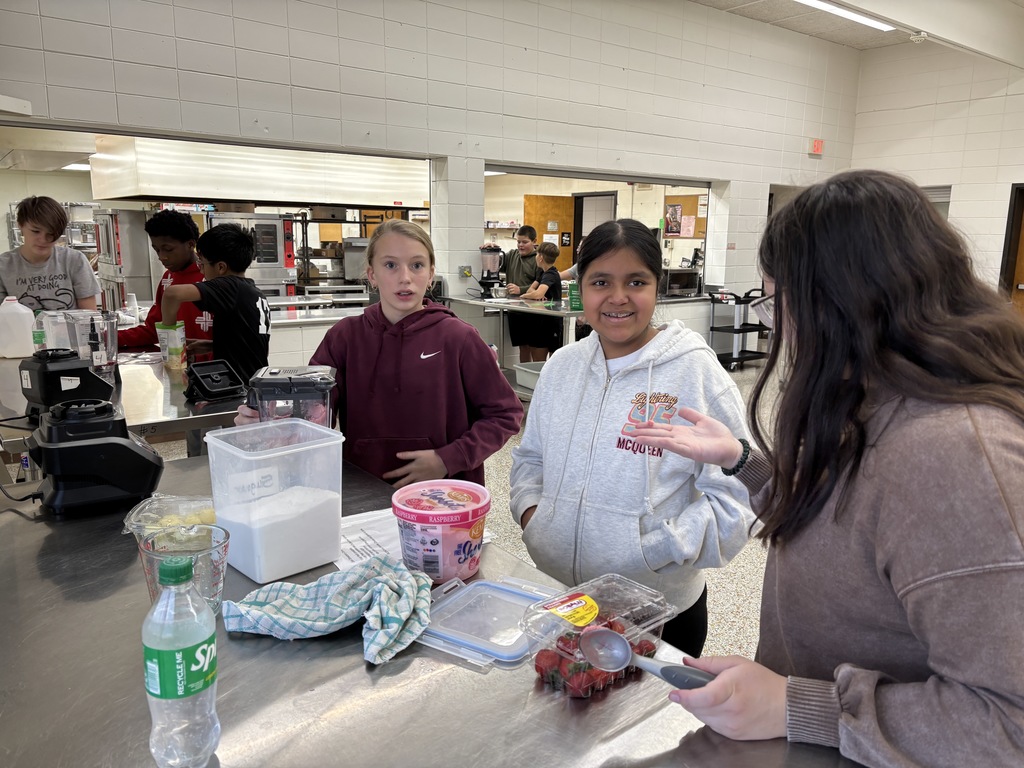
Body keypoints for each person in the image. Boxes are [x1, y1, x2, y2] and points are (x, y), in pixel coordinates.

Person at [631, 170, 1024, 767]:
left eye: (774, 302)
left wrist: (798, 706)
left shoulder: (955, 452)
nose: (773, 325)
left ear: (837, 302)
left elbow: (1007, 724)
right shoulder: (876, 394)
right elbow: (856, 526)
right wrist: (745, 463)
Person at [509, 218, 755, 658]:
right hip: (564, 597)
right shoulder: (562, 367)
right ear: (579, 288)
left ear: (656, 289)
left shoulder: (694, 372)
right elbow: (531, 459)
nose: (618, 297)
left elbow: (737, 497)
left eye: (636, 281)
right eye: (600, 281)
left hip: (660, 612)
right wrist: (534, 518)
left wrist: (653, 549)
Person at [236, 219, 523, 489]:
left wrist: (448, 458)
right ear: (372, 274)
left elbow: (505, 414)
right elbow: (317, 411)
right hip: (362, 486)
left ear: (431, 273)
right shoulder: (345, 337)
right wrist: (269, 422)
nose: (405, 278)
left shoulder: (459, 338)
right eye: (390, 265)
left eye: (417, 265)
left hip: (443, 495)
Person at [161, 223, 270, 384]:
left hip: (238, 388)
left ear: (220, 267)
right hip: (254, 383)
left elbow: (171, 294)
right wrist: (214, 345)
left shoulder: (229, 286)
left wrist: (171, 343)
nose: (201, 271)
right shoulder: (254, 292)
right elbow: (249, 343)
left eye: (202, 264)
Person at [118, 209, 213, 352]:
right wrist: (112, 337)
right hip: (177, 366)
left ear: (190, 244)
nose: (162, 257)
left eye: (168, 249)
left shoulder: (211, 278)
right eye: (157, 250)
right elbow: (154, 330)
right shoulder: (168, 279)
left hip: (213, 369)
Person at [0, 195, 99, 310]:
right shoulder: (4, 266)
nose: (43, 240)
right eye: (36, 231)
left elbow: (90, 315)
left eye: (51, 234)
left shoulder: (74, 260)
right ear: (20, 225)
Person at [503, 225, 545, 363]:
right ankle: (524, 380)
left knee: (536, 348)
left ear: (534, 241)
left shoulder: (539, 259)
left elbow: (541, 284)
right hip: (515, 310)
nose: (521, 245)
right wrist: (491, 248)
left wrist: (520, 289)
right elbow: (496, 261)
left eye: (525, 242)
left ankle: (537, 381)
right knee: (523, 347)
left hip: (533, 312)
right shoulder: (512, 255)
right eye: (518, 242)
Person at [519, 241, 563, 360]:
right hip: (540, 321)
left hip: (551, 322)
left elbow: (537, 293)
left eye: (537, 254)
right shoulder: (542, 272)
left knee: (553, 359)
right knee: (537, 359)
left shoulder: (551, 274)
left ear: (541, 257)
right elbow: (531, 290)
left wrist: (525, 296)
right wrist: (533, 294)